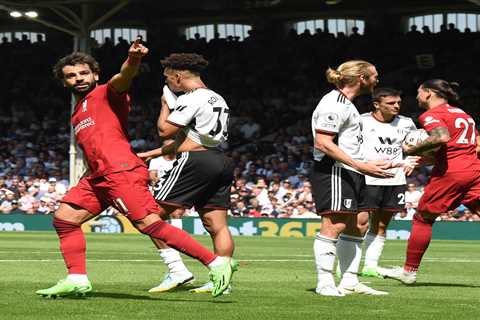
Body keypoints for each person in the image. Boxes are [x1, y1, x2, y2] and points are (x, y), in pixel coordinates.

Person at [36, 42, 233, 298]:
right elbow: (94, 148)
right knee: (64, 220)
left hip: (120, 172)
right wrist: (88, 175)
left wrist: (133, 60)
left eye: (83, 73)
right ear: (65, 82)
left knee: (150, 224)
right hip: (97, 176)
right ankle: (77, 279)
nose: (78, 79)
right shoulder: (78, 111)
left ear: (95, 74)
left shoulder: (108, 92)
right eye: (71, 76)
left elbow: (124, 76)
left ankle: (216, 263)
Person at [136, 53, 237, 294]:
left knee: (149, 216)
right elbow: (190, 139)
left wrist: (164, 104)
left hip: (195, 162)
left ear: (178, 76)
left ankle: (176, 270)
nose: (167, 82)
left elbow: (165, 130)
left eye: (168, 77)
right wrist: (149, 155)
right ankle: (222, 282)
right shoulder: (217, 97)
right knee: (217, 225)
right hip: (220, 160)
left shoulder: (193, 98)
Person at [382, 79, 480, 284]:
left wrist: (412, 150)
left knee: (422, 219)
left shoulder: (431, 115)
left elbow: (441, 137)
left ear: (428, 93)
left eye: (419, 92)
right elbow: (475, 146)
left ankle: (408, 272)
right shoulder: (464, 115)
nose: (416, 96)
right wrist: (431, 159)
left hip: (452, 173)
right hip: (473, 170)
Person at [311, 60, 394, 296]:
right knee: (334, 225)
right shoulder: (333, 104)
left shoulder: (348, 104)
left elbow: (347, 142)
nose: (377, 79)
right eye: (374, 75)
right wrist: (361, 165)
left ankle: (349, 281)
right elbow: (323, 143)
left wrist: (367, 163)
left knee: (360, 223)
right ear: (361, 78)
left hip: (353, 170)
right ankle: (325, 282)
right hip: (334, 169)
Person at [355, 88, 418, 278]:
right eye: (391, 103)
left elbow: (417, 144)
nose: (397, 106)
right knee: (361, 223)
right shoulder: (361, 121)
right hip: (368, 176)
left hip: (395, 178)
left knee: (382, 225)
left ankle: (370, 267)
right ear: (376, 104)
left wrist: (413, 160)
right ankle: (348, 265)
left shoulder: (406, 123)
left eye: (398, 102)